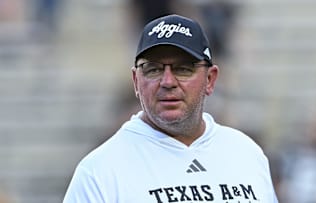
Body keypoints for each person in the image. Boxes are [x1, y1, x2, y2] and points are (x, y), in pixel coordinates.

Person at [63, 14, 278, 203]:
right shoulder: (99, 171)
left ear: (210, 80)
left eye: (183, 69)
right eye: (153, 69)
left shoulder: (246, 153)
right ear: (136, 81)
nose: (167, 81)